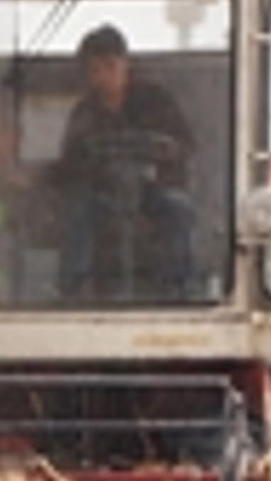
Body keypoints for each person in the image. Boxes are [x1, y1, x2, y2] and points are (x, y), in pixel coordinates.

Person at [48, 24, 200, 298]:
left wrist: (163, 150)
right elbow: (67, 165)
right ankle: (72, 288)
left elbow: (186, 146)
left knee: (180, 210)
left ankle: (178, 288)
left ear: (125, 65)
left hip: (153, 192)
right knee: (76, 212)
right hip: (102, 196)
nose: (104, 75)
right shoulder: (84, 113)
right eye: (96, 69)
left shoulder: (157, 100)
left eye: (111, 65)